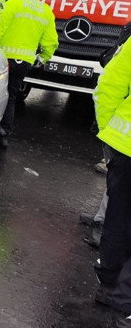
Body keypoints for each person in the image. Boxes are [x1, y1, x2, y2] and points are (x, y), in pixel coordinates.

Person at [0, 0, 59, 148]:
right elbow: (51, 40)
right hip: (25, 61)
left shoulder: (11, 4)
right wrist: (43, 57)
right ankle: (3, 132)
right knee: (11, 95)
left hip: (3, 59)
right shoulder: (45, 10)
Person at [92, 38, 131, 319]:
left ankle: (108, 286)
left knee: (118, 218)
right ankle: (125, 303)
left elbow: (108, 87)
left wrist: (109, 133)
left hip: (125, 145)